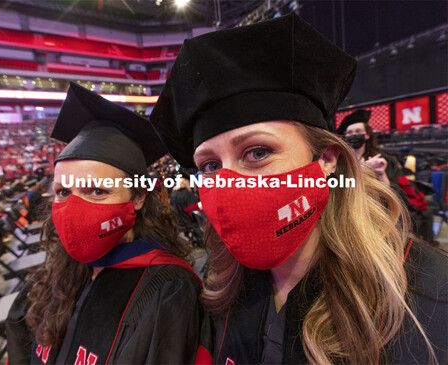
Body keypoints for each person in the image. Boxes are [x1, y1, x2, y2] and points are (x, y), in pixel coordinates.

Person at [150, 13, 447, 364]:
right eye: (210, 166)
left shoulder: (429, 298)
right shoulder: (219, 283)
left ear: (327, 159)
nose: (228, 184)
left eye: (258, 152)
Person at [6, 83, 210, 364]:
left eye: (98, 191)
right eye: (64, 192)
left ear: (138, 196)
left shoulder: (168, 290)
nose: (76, 209)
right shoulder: (53, 272)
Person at [337, 110, 435, 243]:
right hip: (349, 212)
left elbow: (394, 195)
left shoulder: (384, 161)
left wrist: (381, 174)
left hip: (379, 213)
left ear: (367, 135)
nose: (354, 135)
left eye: (358, 131)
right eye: (349, 133)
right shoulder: (340, 162)